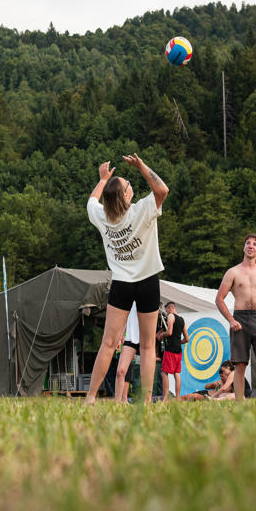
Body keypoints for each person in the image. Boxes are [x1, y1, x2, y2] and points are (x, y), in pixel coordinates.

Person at [85, 154, 169, 405]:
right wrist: (142, 166)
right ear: (125, 196)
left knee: (108, 344)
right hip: (147, 282)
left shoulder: (102, 216)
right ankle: (144, 403)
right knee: (146, 346)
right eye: (128, 186)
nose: (132, 187)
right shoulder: (143, 209)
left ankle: (90, 399)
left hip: (121, 283)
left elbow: (91, 201)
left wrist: (102, 180)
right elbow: (162, 189)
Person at [215, 234, 256, 401]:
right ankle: (240, 402)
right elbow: (219, 298)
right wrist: (231, 320)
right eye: (248, 243)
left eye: (255, 244)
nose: (251, 246)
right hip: (239, 318)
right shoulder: (233, 272)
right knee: (240, 364)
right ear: (244, 247)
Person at [158, 301, 189, 399]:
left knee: (164, 373)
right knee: (177, 373)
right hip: (178, 350)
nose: (166, 313)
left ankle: (165, 398)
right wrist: (178, 342)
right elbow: (187, 339)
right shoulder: (182, 319)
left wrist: (162, 335)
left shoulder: (171, 316)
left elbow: (170, 332)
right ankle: (178, 398)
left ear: (169, 308)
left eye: (166, 310)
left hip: (170, 349)